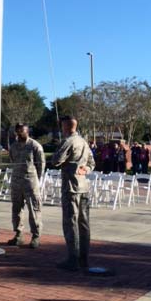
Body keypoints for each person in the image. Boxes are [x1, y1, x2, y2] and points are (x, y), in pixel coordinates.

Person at [51, 116, 95, 271]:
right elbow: (92, 163)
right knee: (84, 224)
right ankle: (84, 258)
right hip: (83, 186)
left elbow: (56, 161)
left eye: (62, 126)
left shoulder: (68, 141)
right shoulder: (83, 141)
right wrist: (85, 169)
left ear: (66, 126)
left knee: (71, 223)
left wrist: (58, 154)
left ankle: (73, 259)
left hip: (71, 187)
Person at [7, 123, 45, 249]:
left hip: (30, 182)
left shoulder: (35, 146)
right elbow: (12, 160)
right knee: (16, 209)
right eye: (17, 131)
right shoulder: (13, 146)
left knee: (34, 209)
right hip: (16, 181)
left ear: (27, 131)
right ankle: (18, 235)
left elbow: (41, 165)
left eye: (22, 131)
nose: (19, 133)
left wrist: (36, 180)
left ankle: (35, 236)